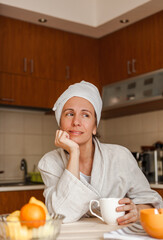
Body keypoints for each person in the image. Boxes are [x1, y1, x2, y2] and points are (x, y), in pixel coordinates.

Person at [38, 80, 163, 224]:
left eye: (85, 115)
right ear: (60, 123)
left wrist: (137, 211)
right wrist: (74, 152)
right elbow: (61, 214)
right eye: (69, 114)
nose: (76, 122)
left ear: (94, 127)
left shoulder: (120, 156)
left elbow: (152, 202)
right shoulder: (50, 162)